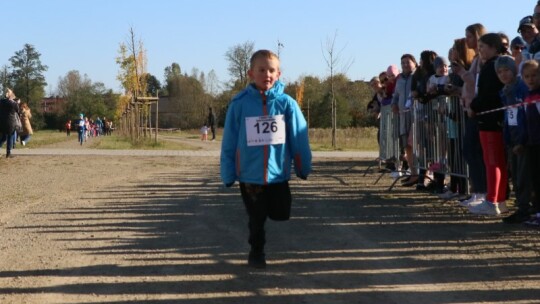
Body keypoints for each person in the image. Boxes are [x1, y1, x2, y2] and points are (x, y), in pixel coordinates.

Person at [220, 49, 312, 269]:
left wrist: (303, 167)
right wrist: (228, 172)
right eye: (262, 70)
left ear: (279, 74)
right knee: (256, 218)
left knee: (280, 213)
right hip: (249, 175)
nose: (267, 74)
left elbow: (299, 138)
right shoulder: (239, 104)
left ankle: (266, 221)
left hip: (278, 173)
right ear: (251, 74)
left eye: (271, 70)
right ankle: (257, 252)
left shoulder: (287, 104)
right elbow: (230, 141)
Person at [468, 33, 508, 216]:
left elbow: (487, 94)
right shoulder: (495, 65)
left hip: (490, 120)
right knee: (496, 161)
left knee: (492, 162)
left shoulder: (492, 66)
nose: (480, 50)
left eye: (482, 46)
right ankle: (500, 200)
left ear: (493, 47)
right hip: (493, 119)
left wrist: (473, 106)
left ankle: (493, 201)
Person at [452, 23, 488, 208]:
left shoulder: (480, 60)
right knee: (470, 151)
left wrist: (462, 73)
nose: (467, 40)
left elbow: (475, 82)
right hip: (469, 108)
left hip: (477, 110)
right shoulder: (476, 59)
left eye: (470, 36)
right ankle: (477, 191)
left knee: (473, 151)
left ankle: (481, 191)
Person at [495, 56, 532, 223]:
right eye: (500, 72)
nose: (503, 74)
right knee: (516, 176)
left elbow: (525, 116)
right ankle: (522, 207)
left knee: (524, 176)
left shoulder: (521, 88)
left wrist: (521, 140)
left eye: (506, 70)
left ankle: (526, 208)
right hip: (512, 138)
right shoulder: (505, 91)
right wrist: (508, 138)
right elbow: (509, 117)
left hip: (523, 139)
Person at [392, 54, 418, 187]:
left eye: (408, 62)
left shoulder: (417, 76)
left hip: (416, 116)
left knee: (416, 144)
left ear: (414, 63)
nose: (405, 65)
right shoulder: (400, 79)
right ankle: (413, 174)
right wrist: (394, 103)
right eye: (402, 63)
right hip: (403, 116)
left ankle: (422, 173)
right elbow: (396, 95)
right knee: (407, 145)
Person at [521, 60, 540, 225]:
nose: (531, 79)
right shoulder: (528, 96)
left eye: (534, 75)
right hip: (532, 142)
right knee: (535, 178)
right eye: (527, 76)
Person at [0, 89, 20, 158]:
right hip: (10, 122)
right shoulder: (14, 104)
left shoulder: (1, 102)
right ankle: (8, 153)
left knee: (3, 137)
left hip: (2, 122)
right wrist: (17, 103)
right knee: (10, 137)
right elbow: (18, 110)